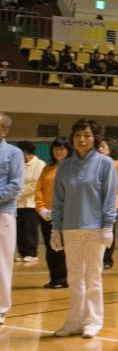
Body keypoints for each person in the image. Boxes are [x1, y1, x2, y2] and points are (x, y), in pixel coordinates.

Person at [51, 118, 118, 338]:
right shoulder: (65, 166)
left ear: (95, 138)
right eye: (78, 135)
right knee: (75, 277)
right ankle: (73, 321)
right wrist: (56, 228)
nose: (82, 139)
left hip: (96, 229)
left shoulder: (105, 164)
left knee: (93, 277)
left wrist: (108, 226)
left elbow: (110, 198)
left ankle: (93, 321)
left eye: (87, 135)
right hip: (70, 229)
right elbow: (58, 200)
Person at [35, 138, 70, 289]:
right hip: (47, 215)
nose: (59, 151)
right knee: (50, 248)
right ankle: (54, 278)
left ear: (68, 150)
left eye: (62, 148)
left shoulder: (72, 168)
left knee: (64, 248)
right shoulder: (47, 168)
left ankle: (63, 278)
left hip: (66, 215)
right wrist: (41, 208)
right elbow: (38, 189)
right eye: (56, 148)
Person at [0, 113, 24, 324]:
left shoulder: (13, 153)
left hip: (3, 213)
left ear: (4, 131)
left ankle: (1, 307)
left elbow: (16, 184)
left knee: (2, 262)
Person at [97, 140, 118, 269]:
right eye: (99, 147)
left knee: (109, 232)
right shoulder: (96, 163)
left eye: (103, 146)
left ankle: (107, 259)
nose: (100, 149)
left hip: (112, 203)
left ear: (111, 149)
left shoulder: (117, 165)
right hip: (97, 204)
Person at [16, 140, 43, 264]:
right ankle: (22, 253)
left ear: (25, 151)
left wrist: (17, 193)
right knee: (20, 230)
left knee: (30, 229)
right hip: (18, 204)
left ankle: (32, 253)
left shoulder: (40, 164)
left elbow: (35, 185)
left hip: (31, 204)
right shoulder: (19, 164)